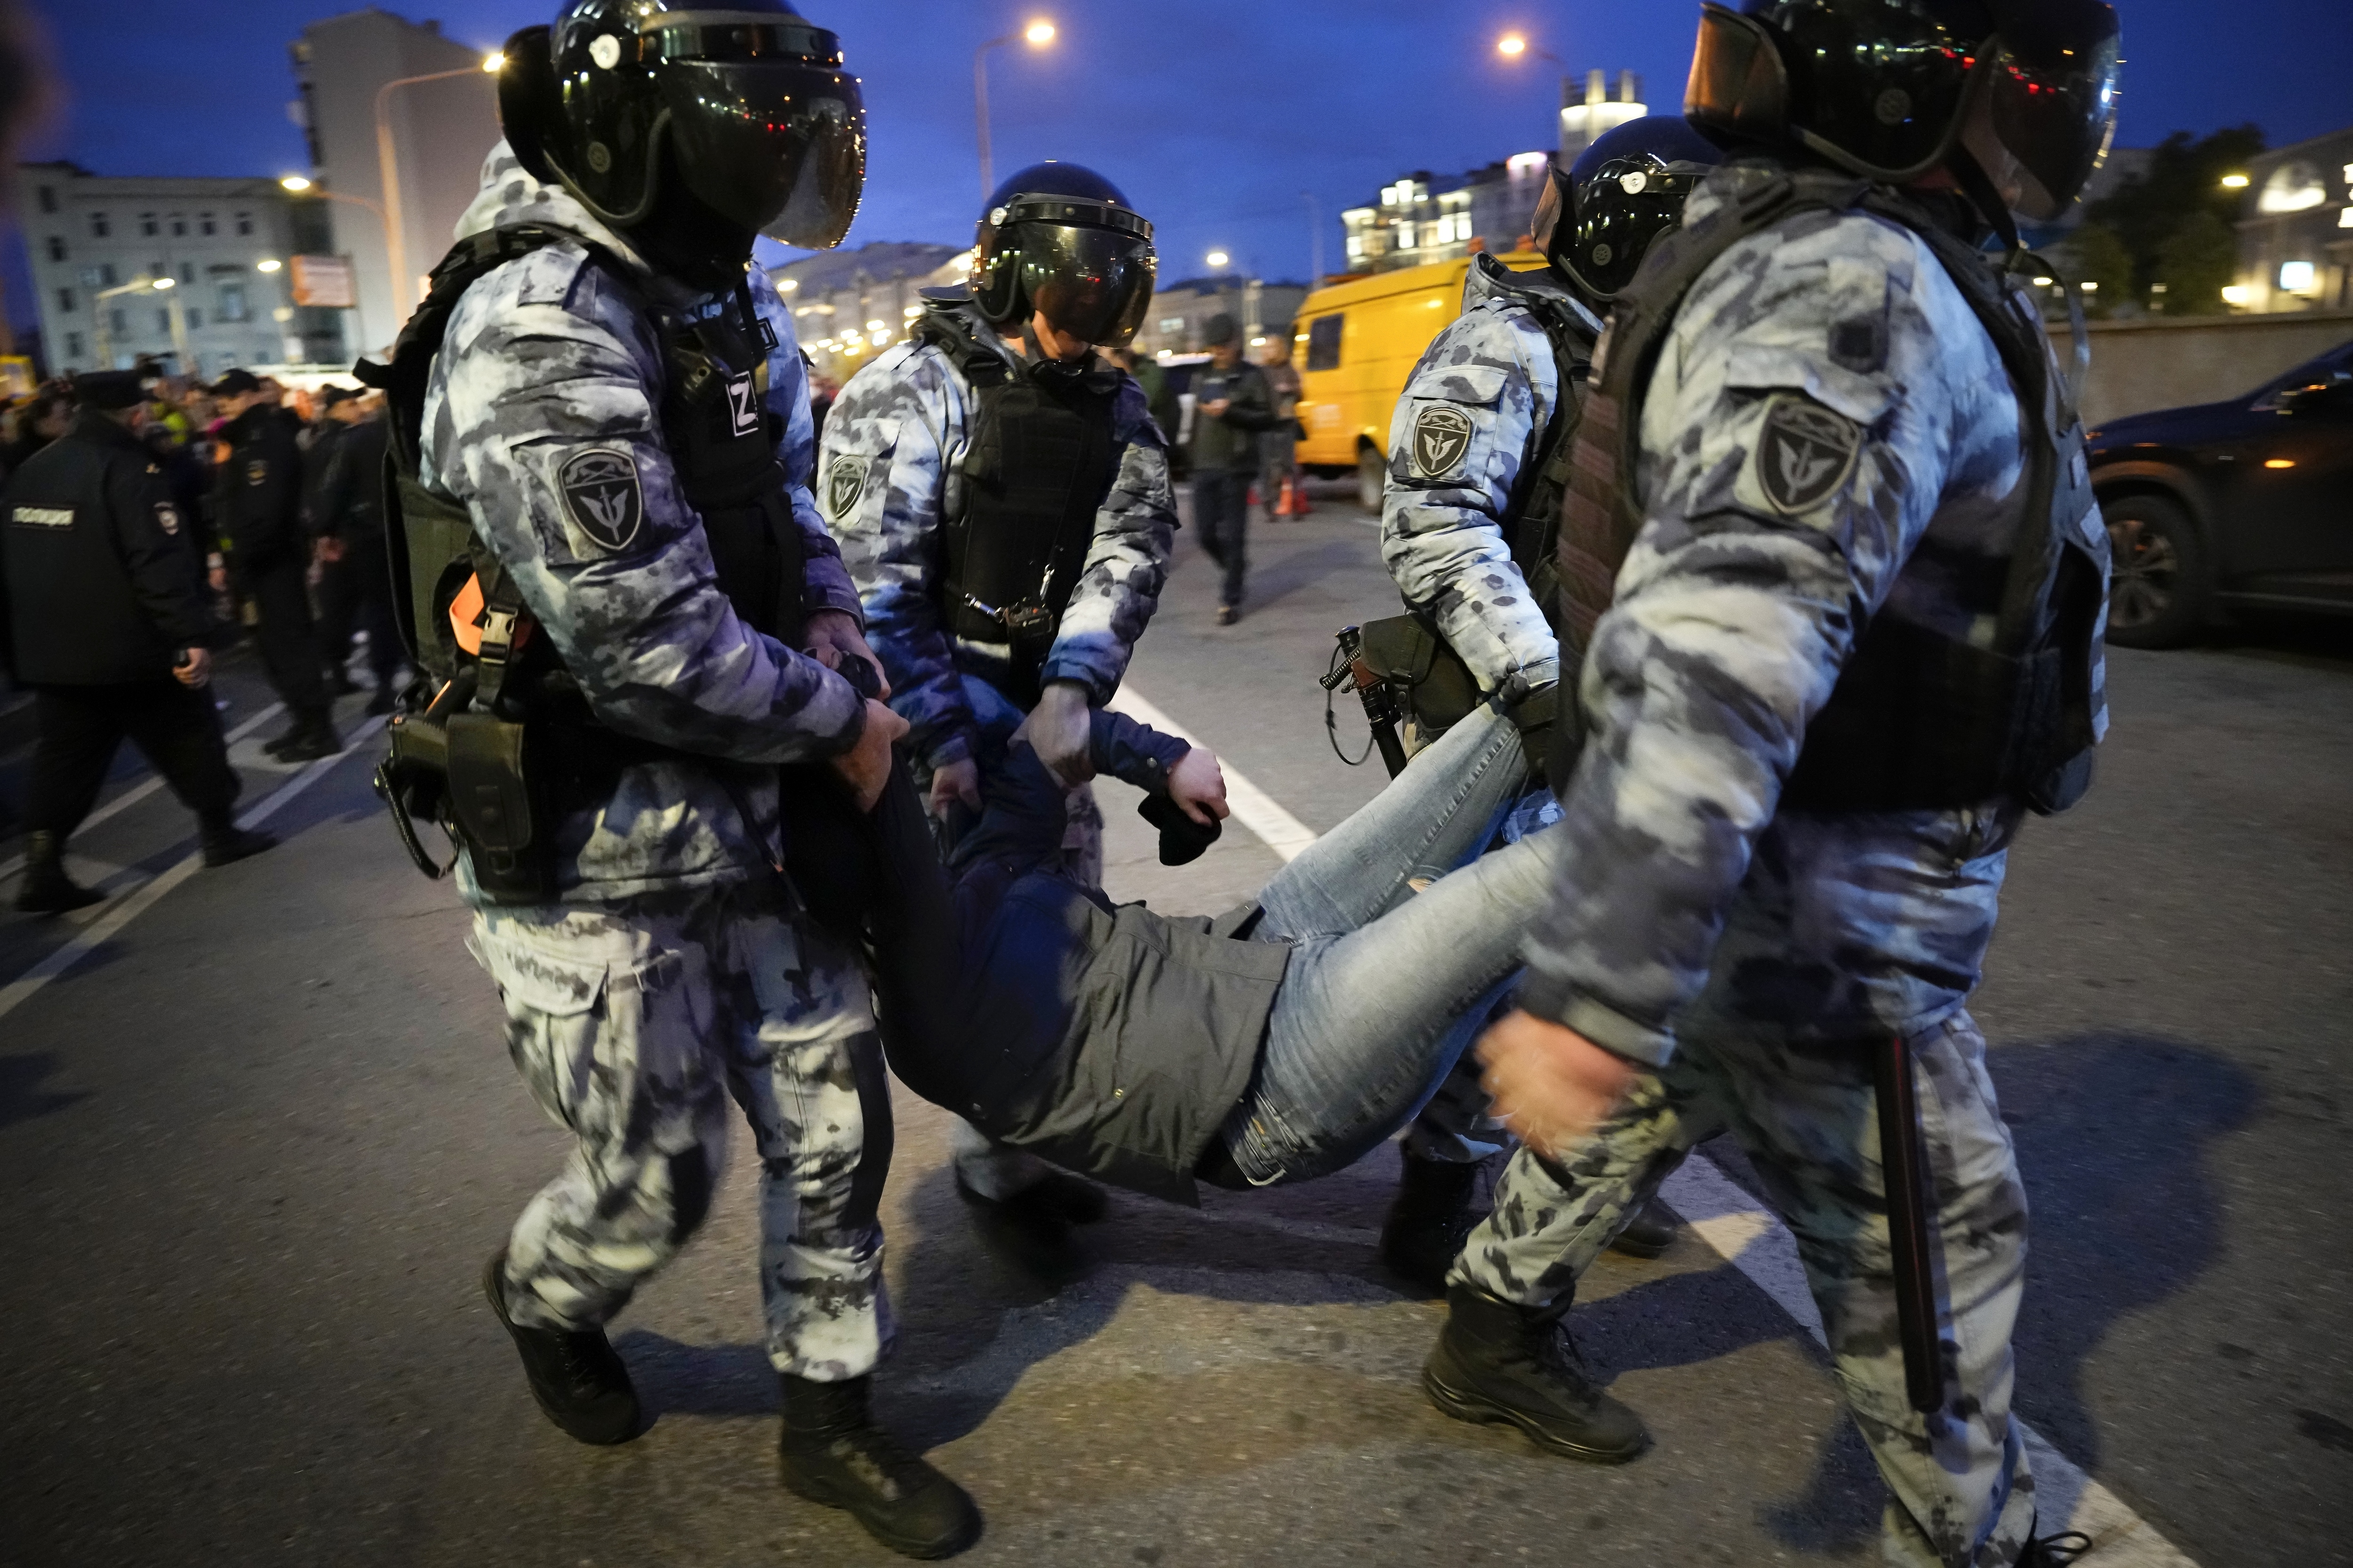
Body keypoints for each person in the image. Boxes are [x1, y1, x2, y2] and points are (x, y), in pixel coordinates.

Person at [1433, 3, 2120, 1564]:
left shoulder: (1871, 256)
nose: (2058, 103)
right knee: (1940, 1248)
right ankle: (1972, 1540)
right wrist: (1597, 987)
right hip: (1840, 922)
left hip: (1778, 886)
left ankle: (1489, 1317)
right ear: (1915, 74)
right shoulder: (1853, 293)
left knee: (1668, 1088)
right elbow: (1722, 647)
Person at [403, 6, 976, 1556]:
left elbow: (796, 506)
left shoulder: (724, 293)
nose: (765, 195)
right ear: (635, 140)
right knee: (653, 1183)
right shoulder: (536, 326)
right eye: (746, 151)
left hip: (752, 817)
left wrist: (847, 639)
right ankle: (546, 1297)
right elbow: (645, 647)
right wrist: (846, 726)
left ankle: (830, 1422)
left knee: (833, 1117)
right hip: (591, 849)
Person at [1370, 115, 1723, 1291]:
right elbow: (1430, 518)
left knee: (1630, 968)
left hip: (1618, 722)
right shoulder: (1512, 347)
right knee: (1501, 976)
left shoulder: (1650, 358)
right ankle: (1436, 1200)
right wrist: (1539, 690)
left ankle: (1583, 1175)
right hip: (1510, 721)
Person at [823, 160, 1176, 1262]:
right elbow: (875, 588)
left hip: (1039, 718)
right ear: (1014, 283)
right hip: (927, 721)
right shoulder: (913, 390)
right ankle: (981, 1178)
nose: (1089, 333)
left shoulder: (1116, 407)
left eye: (1109, 307)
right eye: (1075, 303)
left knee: (1056, 941)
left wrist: (1073, 688)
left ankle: (1017, 1156)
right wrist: (939, 740)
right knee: (953, 961)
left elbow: (1130, 550)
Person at [0, 370, 274, 913]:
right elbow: (156, 561)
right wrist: (189, 634)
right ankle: (220, 834)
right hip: (133, 648)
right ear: (133, 414)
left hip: (55, 651)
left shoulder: (36, 468)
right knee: (191, 734)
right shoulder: (129, 469)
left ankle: (42, 864)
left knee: (65, 758)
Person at [210, 368, 339, 761]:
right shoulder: (241, 440)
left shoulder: (266, 439)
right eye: (222, 397)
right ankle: (302, 722)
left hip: (274, 564)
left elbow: (266, 513)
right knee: (271, 651)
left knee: (291, 649)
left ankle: (319, 731)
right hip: (255, 566)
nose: (224, 403)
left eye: (233, 395)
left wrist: (242, 563)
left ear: (254, 395)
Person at [308, 388, 400, 714]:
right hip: (368, 536)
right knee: (380, 611)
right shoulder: (366, 437)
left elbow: (324, 492)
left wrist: (324, 531)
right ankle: (382, 682)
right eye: (350, 404)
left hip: (347, 538)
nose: (358, 408)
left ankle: (340, 672)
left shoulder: (329, 442)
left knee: (341, 609)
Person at [1186, 313, 1277, 624]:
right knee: (1205, 534)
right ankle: (1235, 567)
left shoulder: (1252, 376)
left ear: (1236, 341)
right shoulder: (1202, 375)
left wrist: (1231, 411)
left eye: (1224, 345)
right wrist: (1188, 452)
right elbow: (1195, 419)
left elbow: (1268, 418)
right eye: (1214, 346)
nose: (1219, 351)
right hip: (1203, 464)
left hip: (1236, 467)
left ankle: (1230, 600)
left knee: (1235, 536)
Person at [1257, 334, 1305, 519]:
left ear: (1280, 349)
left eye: (1272, 347)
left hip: (1286, 423)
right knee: (1268, 467)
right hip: (1267, 424)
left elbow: (1300, 394)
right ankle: (1269, 503)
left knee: (1290, 466)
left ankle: (1293, 505)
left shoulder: (1289, 369)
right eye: (1266, 348)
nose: (1268, 351)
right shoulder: (1261, 372)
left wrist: (1291, 390)